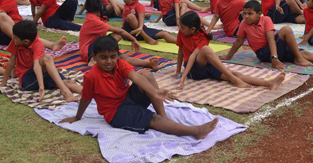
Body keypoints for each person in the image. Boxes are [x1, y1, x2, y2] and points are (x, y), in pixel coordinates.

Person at [59, 35, 218, 139]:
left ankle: (164, 116)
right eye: (103, 57)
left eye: (112, 57)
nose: (109, 61)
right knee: (151, 118)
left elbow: (136, 77)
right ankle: (195, 131)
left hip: (128, 98)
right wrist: (78, 116)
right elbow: (86, 98)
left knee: (146, 75)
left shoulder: (120, 64)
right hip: (116, 113)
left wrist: (155, 92)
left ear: (117, 55)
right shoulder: (91, 76)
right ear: (94, 57)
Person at [220, 0, 313, 69]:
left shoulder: (266, 20)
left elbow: (271, 39)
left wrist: (275, 57)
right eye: (245, 13)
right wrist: (228, 56)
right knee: (286, 30)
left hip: (274, 51)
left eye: (250, 13)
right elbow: (238, 41)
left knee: (304, 54)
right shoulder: (244, 24)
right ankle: (298, 59)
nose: (247, 16)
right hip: (264, 54)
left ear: (259, 14)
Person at [176, 11, 285, 89]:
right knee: (206, 50)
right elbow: (182, 53)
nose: (180, 29)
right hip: (193, 71)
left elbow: (195, 56)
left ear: (193, 29)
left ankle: (269, 83)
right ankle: (234, 80)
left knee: (232, 73)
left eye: (182, 27)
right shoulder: (182, 33)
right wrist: (180, 74)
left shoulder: (203, 36)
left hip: (205, 66)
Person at [0, 20, 82, 102]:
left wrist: (41, 86)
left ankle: (91, 94)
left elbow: (37, 65)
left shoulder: (37, 43)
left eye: (15, 38)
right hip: (27, 80)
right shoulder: (16, 42)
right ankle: (65, 91)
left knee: (70, 82)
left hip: (40, 73)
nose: (13, 39)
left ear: (25, 41)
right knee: (46, 58)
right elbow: (11, 62)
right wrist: (3, 83)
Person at [79, 0, 159, 70]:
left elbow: (119, 32)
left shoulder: (92, 17)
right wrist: (134, 39)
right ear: (101, 7)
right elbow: (119, 30)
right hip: (89, 49)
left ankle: (149, 64)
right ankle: (94, 60)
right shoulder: (93, 20)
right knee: (119, 38)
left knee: (120, 52)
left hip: (97, 44)